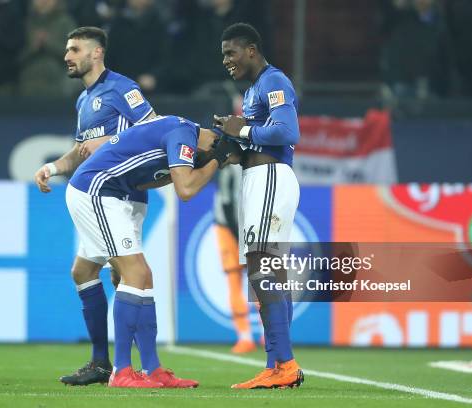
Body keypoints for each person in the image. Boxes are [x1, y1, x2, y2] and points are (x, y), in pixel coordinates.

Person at [65, 115, 238, 387]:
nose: (220, 167)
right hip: (97, 191)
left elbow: (146, 180)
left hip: (112, 194)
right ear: (216, 144)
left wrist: (212, 159)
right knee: (135, 273)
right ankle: (121, 372)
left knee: (128, 276)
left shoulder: (180, 134)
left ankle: (152, 369)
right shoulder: (184, 135)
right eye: (228, 160)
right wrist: (218, 160)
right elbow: (187, 189)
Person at [33, 26, 155, 386]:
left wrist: (112, 140)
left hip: (120, 196)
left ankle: (139, 366)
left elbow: (154, 130)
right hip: (97, 197)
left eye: (74, 49)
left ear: (97, 53)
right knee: (84, 272)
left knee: (127, 274)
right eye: (67, 50)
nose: (67, 56)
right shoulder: (84, 100)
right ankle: (105, 362)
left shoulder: (123, 88)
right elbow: (83, 150)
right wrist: (54, 167)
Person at [214, 22, 304, 389]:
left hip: (271, 179)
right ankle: (276, 365)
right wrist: (231, 145)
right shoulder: (253, 90)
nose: (226, 61)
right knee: (271, 275)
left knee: (261, 268)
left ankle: (284, 364)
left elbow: (287, 131)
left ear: (251, 49)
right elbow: (256, 138)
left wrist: (243, 131)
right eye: (223, 55)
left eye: (231, 53)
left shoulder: (273, 80)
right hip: (257, 179)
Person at [214, 165, 258, 354]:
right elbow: (226, 202)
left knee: (261, 279)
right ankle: (245, 337)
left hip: (253, 228)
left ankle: (269, 334)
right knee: (235, 280)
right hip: (228, 227)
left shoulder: (261, 164)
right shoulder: (229, 167)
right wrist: (239, 236)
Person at [19, 0, 76, 96]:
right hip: (29, 81)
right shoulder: (25, 23)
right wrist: (33, 47)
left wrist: (49, 43)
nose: (43, 1)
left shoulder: (65, 22)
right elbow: (15, 57)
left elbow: (75, 54)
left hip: (57, 79)